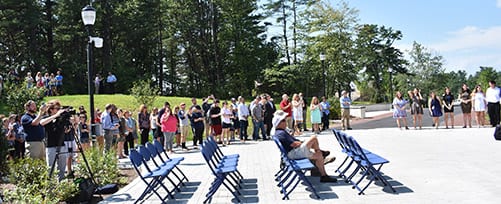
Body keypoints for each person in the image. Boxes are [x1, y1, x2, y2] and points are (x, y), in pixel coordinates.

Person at [272, 110, 337, 183]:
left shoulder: (280, 132)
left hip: (293, 152)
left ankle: (323, 175)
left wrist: (302, 142)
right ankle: (320, 154)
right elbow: (294, 144)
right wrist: (302, 143)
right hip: (293, 153)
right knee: (313, 138)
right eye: (283, 120)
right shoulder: (281, 133)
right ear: (278, 123)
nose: (285, 122)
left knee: (318, 155)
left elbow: (294, 142)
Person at [40, 100, 68, 181]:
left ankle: (62, 185)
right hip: (51, 146)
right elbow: (42, 123)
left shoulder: (61, 119)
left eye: (59, 108)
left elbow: (66, 129)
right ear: (51, 109)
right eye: (57, 108)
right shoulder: (47, 118)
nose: (59, 110)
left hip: (61, 145)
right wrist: (55, 116)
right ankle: (50, 187)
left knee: (62, 168)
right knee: (50, 168)